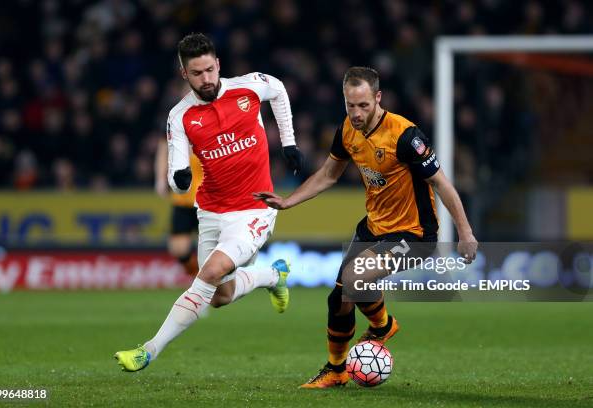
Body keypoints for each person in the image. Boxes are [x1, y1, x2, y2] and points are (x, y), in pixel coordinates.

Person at [255, 66, 478, 388]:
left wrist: (465, 232)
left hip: (414, 234)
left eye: (363, 106)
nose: (356, 113)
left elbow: (442, 183)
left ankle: (383, 325)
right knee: (340, 298)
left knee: (354, 279)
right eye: (350, 105)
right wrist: (290, 201)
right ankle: (336, 370)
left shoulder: (405, 135)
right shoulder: (347, 129)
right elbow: (329, 175)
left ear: (378, 98)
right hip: (373, 227)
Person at [115, 33, 303, 372]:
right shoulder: (180, 115)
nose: (206, 79)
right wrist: (180, 177)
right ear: (184, 74)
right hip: (212, 211)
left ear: (218, 65)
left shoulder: (248, 87)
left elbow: (278, 88)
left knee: (210, 272)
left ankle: (148, 350)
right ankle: (272, 276)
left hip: (254, 210)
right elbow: (175, 169)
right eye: (197, 73)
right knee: (221, 296)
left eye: (210, 70)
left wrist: (289, 142)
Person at [155, 136, 202, 278]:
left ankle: (210, 282)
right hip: (183, 199)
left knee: (211, 247)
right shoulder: (175, 120)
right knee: (178, 249)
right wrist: (160, 179)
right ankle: (197, 274)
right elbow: (163, 149)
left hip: (208, 199)